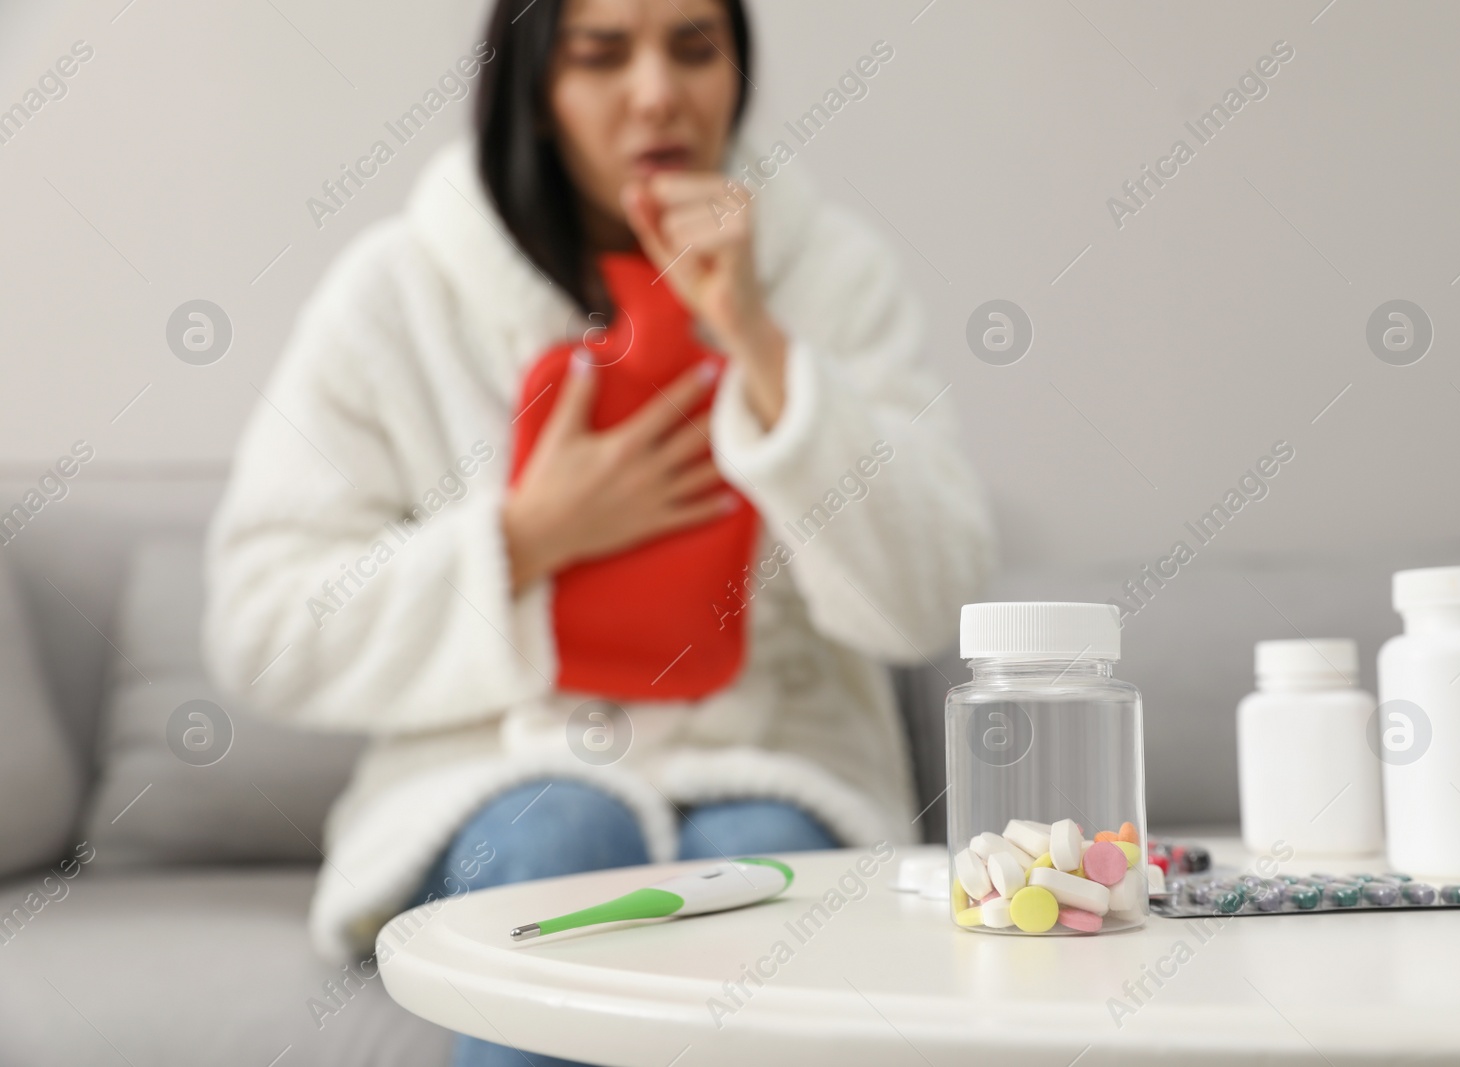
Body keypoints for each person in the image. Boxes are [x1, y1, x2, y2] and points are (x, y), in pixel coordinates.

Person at [203, 0, 993, 1062]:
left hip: (775, 769)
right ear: (533, 87)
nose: (659, 91)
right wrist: (527, 536)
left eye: (695, 47)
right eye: (603, 53)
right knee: (566, 834)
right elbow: (262, 625)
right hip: (493, 782)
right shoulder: (395, 293)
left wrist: (762, 349)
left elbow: (929, 601)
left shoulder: (835, 275)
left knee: (761, 857)